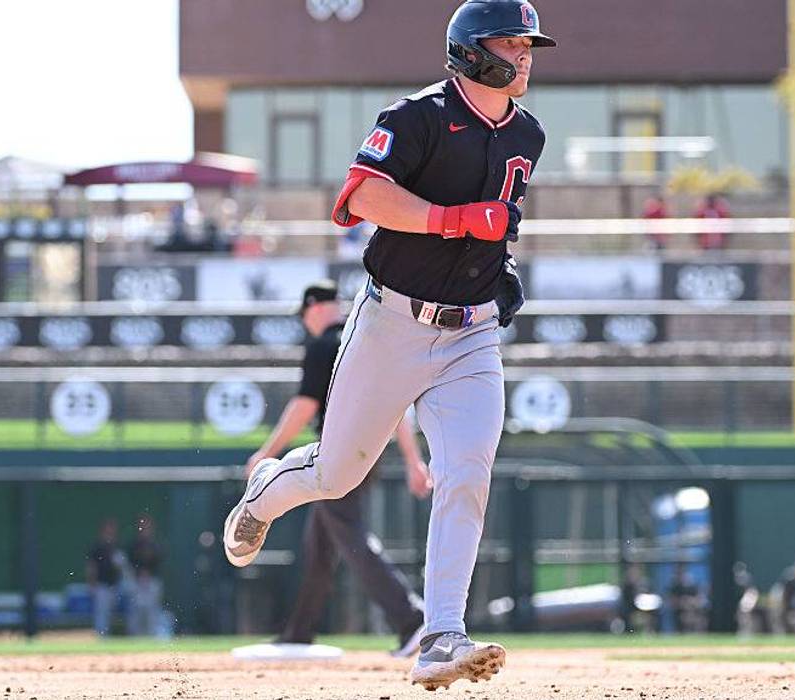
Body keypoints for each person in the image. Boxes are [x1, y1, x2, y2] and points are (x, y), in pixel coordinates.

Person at [222, 0, 551, 689]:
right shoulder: (418, 116)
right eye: (511, 43)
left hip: (471, 332)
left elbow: (495, 224)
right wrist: (457, 221)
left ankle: (440, 637)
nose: (523, 55)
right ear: (470, 49)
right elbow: (360, 196)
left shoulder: (528, 134)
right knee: (336, 474)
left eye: (528, 45)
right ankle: (264, 493)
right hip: (391, 323)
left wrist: (497, 271)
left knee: (467, 472)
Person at [244, 280, 429, 656]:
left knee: (348, 533)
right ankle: (299, 633)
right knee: (320, 547)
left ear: (313, 308)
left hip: (338, 456)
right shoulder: (363, 339)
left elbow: (305, 406)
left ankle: (412, 620)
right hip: (369, 450)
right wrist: (413, 459)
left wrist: (267, 452)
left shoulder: (325, 344)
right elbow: (395, 408)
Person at [86, 518, 126, 636]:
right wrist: (91, 584)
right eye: (107, 530)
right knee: (101, 615)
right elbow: (91, 567)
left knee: (113, 614)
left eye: (112, 530)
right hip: (101, 585)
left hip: (116, 586)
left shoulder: (118, 546)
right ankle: (102, 637)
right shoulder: (97, 547)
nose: (110, 533)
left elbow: (123, 568)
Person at [126, 514, 163, 637]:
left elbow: (159, 561)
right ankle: (134, 637)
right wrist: (139, 572)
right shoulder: (133, 545)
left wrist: (148, 573)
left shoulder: (155, 545)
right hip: (136, 581)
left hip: (151, 581)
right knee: (136, 611)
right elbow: (129, 562)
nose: (144, 528)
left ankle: (152, 637)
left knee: (151, 611)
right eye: (142, 525)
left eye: (147, 525)